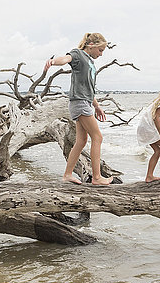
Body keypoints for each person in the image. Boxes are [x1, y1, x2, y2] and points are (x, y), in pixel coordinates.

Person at [44, 32, 114, 185]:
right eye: (100, 50)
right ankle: (96, 177)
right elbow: (65, 59)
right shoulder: (78, 54)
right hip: (80, 102)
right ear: (91, 45)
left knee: (81, 141)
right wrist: (53, 61)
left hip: (85, 102)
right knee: (98, 137)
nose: (101, 54)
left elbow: (88, 88)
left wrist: (97, 106)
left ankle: (67, 174)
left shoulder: (90, 62)